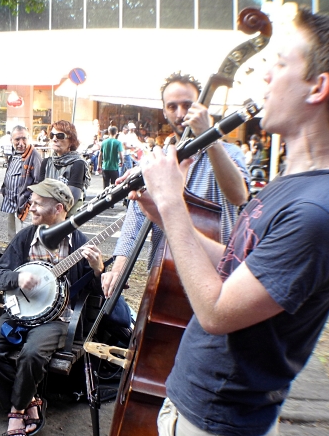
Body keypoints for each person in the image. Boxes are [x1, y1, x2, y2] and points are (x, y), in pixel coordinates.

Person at [128, 9, 329, 436]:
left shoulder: (319, 213)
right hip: (197, 412)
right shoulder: (295, 184)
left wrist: (176, 205)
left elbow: (217, 311)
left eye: (279, 63)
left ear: (317, 87)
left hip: (215, 429)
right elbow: (235, 263)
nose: (262, 74)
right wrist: (161, 217)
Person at [102, 72, 250, 331]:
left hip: (214, 273)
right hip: (163, 275)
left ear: (201, 107)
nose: (180, 113)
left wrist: (210, 137)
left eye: (187, 105)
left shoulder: (228, 152)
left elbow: (239, 195)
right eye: (172, 106)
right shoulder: (156, 159)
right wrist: (119, 267)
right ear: (164, 111)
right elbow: (137, 214)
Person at [0, 179, 104, 436]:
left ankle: (15, 412)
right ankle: (31, 400)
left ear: (58, 208)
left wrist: (96, 270)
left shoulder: (78, 243)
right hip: (19, 312)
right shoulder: (26, 237)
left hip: (56, 319)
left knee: (32, 354)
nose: (30, 206)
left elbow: (94, 292)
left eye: (37, 202)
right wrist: (17, 279)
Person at [0, 125, 42, 240]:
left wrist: (29, 202)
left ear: (29, 138)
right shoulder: (14, 154)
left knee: (23, 239)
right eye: (17, 139)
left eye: (24, 138)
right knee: (12, 237)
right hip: (11, 204)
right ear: (11, 140)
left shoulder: (34, 156)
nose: (21, 143)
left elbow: (39, 182)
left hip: (24, 206)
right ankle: (13, 258)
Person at [39, 120, 90, 215]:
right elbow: (39, 193)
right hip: (46, 215)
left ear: (71, 141)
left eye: (60, 136)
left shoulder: (78, 164)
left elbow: (70, 198)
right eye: (52, 135)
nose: (54, 139)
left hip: (66, 219)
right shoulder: (46, 162)